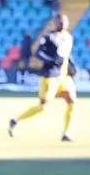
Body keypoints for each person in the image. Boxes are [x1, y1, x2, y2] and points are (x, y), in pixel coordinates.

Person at [8, 13, 77, 142]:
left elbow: (67, 54)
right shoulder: (49, 37)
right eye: (59, 21)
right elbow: (38, 53)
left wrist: (72, 65)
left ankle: (66, 133)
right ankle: (15, 120)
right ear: (55, 23)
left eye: (64, 21)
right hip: (50, 76)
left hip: (64, 76)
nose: (61, 24)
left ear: (67, 23)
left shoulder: (68, 38)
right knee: (43, 106)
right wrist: (52, 60)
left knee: (72, 101)